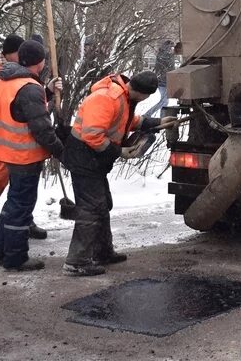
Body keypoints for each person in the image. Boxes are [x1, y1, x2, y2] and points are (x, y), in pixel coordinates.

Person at [61, 70, 179, 276]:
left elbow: (127, 122)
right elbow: (92, 135)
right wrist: (119, 151)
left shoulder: (123, 96)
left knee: (102, 204)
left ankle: (102, 252)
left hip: (92, 159)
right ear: (144, 95)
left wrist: (158, 124)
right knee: (91, 208)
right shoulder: (108, 98)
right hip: (83, 157)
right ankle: (76, 262)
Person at [0, 40, 65, 271]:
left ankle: (0, 251)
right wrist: (60, 150)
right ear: (40, 62)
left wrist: (47, 91)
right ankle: (15, 257)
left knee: (13, 203)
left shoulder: (8, 78)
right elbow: (41, 127)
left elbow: (21, 107)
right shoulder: (30, 87)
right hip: (24, 155)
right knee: (21, 207)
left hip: (8, 151)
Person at [0, 34, 49, 244]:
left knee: (20, 185)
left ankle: (25, 221)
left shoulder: (14, 74)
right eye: (19, 52)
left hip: (14, 139)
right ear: (9, 53)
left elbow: (25, 105)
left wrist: (47, 92)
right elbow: (15, 104)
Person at [146, 39, 175, 117]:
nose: (173, 49)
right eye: (172, 47)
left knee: (165, 102)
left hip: (163, 80)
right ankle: (147, 115)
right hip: (163, 81)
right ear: (168, 47)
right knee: (164, 101)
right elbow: (168, 68)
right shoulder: (165, 55)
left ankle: (161, 118)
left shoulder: (163, 54)